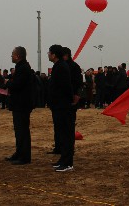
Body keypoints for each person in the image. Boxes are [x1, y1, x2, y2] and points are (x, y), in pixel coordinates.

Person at [5, 46, 34, 165]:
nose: (11, 56)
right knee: (19, 131)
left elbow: (18, 84)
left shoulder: (23, 68)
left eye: (12, 54)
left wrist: (8, 82)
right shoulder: (21, 66)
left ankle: (24, 157)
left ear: (17, 56)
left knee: (22, 131)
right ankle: (19, 153)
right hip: (19, 104)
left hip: (22, 104)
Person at [47, 44, 74, 172]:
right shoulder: (58, 66)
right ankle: (63, 159)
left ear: (54, 55)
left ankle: (68, 163)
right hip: (58, 106)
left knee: (66, 134)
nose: (48, 54)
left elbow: (66, 87)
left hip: (63, 106)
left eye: (49, 52)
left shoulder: (62, 67)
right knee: (62, 134)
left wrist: (66, 103)